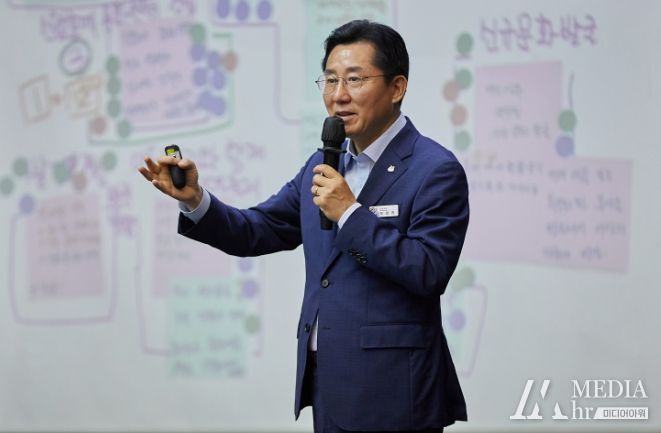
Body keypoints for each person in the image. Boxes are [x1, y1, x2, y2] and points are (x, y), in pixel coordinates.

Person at [139, 19, 469, 433]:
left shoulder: (434, 169)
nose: (339, 95)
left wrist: (350, 213)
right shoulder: (324, 162)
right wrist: (195, 200)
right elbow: (257, 228)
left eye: (355, 79)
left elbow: (429, 270)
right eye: (330, 80)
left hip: (395, 394)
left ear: (397, 87)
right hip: (327, 385)